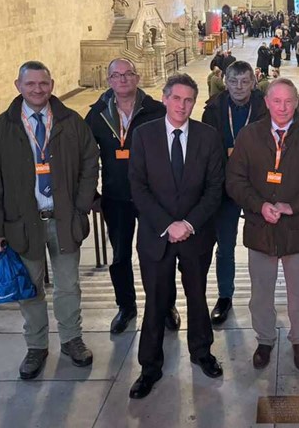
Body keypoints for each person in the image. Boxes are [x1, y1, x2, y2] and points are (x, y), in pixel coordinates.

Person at [0, 61, 99, 380]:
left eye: (43, 83)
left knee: (68, 286)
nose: (37, 89)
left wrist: (81, 205)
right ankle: (36, 346)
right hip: (21, 223)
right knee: (30, 288)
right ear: (17, 85)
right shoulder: (2, 127)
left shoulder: (70, 121)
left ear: (52, 84)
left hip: (63, 219)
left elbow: (90, 160)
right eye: (30, 84)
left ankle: (72, 339)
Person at [226, 78, 299, 370]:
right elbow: (235, 180)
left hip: (296, 230)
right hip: (260, 229)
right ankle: (264, 340)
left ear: (296, 103)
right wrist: (259, 205)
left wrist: (293, 206)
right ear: (267, 102)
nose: (283, 107)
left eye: (289, 101)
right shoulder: (249, 137)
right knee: (261, 291)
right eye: (277, 101)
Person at [128, 74, 225, 399]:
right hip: (157, 237)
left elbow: (214, 189)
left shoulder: (208, 137)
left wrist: (189, 224)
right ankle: (149, 367)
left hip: (195, 236)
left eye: (189, 100)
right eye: (177, 98)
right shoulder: (143, 136)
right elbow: (138, 188)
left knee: (197, 298)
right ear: (165, 98)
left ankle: (202, 353)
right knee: (155, 303)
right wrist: (168, 225)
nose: (182, 106)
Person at [85, 59, 169, 335]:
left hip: (154, 198)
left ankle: (165, 305)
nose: (123, 79)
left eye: (128, 74)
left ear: (137, 77)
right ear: (109, 80)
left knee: (158, 255)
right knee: (120, 256)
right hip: (117, 197)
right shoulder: (97, 115)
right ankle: (126, 307)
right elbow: (85, 158)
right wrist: (91, 195)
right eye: (116, 75)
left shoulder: (156, 111)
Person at [201, 61, 268, 324]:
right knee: (225, 245)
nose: (239, 87)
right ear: (224, 82)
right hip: (225, 187)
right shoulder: (213, 109)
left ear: (253, 82)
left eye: (244, 81)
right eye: (233, 81)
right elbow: (205, 148)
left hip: (258, 186)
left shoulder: (265, 107)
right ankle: (225, 296)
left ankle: (263, 296)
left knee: (264, 246)